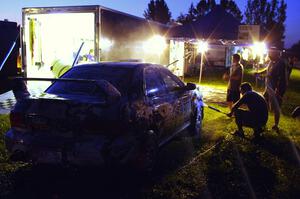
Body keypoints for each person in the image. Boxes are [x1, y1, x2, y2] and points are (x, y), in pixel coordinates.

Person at [258, 49, 288, 131]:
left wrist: (277, 90)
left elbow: (281, 78)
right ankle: (261, 119)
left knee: (276, 106)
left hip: (275, 88)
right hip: (268, 87)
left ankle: (276, 125)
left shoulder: (281, 63)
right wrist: (259, 73)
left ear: (276, 55)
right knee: (262, 102)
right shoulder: (272, 62)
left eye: (270, 54)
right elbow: (267, 70)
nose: (269, 56)